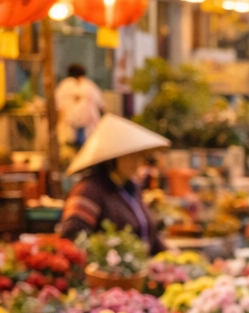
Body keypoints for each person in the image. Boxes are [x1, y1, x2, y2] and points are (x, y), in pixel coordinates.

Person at [57, 114, 168, 251]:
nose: (137, 161)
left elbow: (148, 233)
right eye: (130, 155)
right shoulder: (89, 190)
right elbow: (72, 236)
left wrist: (172, 256)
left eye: (140, 155)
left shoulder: (132, 189)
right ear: (113, 158)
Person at [55, 64, 105, 151]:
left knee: (70, 144)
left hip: (70, 119)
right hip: (86, 120)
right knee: (84, 145)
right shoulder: (88, 85)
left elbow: (58, 103)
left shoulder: (64, 85)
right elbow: (101, 103)